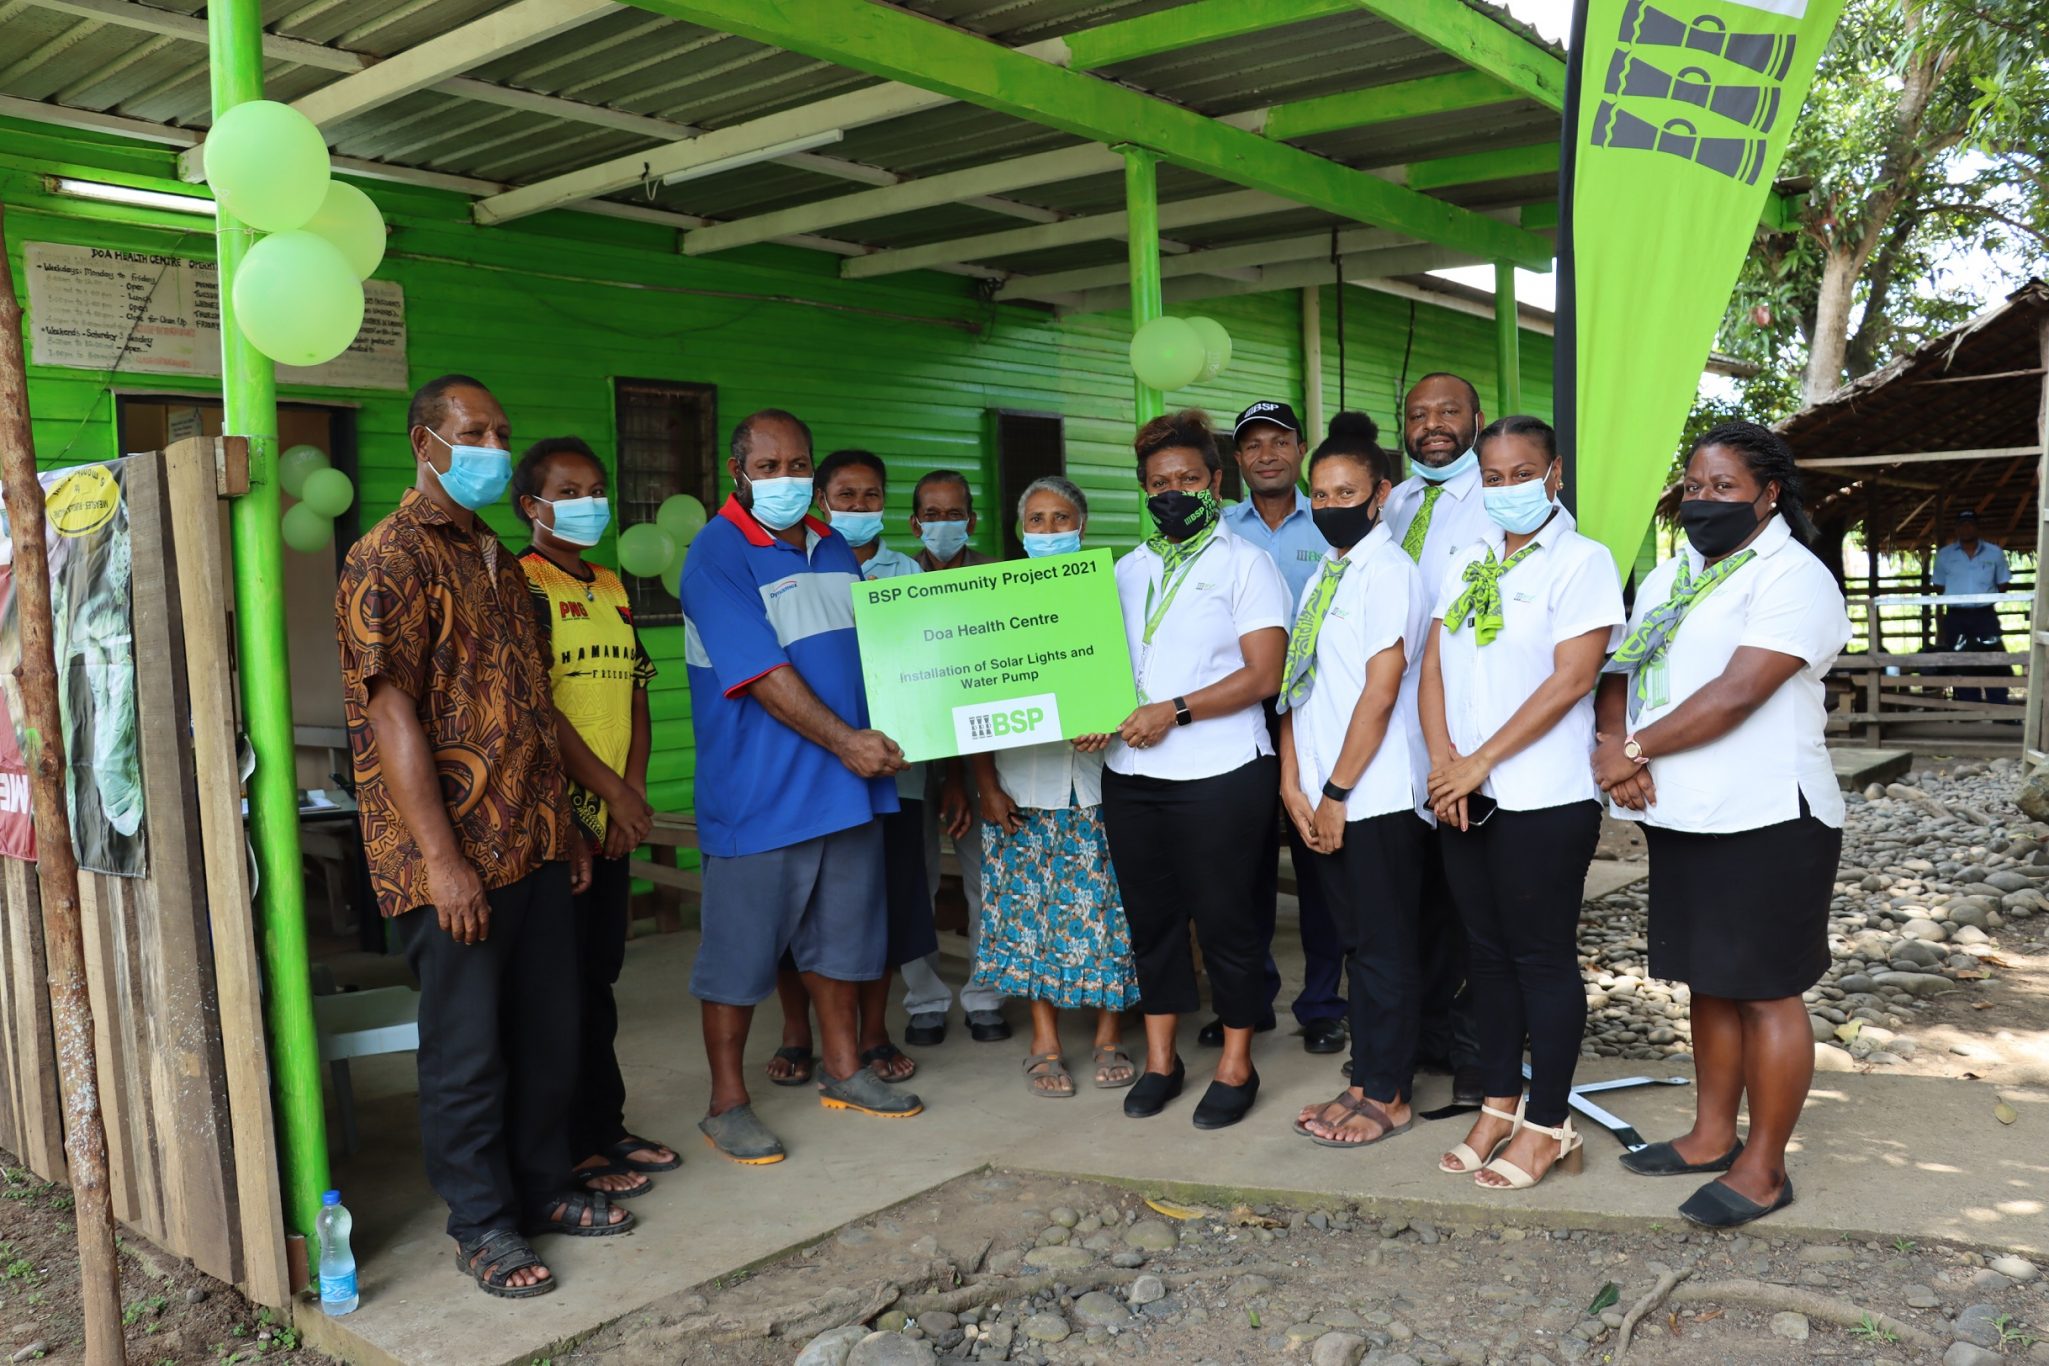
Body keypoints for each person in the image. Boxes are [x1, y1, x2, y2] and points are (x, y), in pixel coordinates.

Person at [335, 375, 612, 1302]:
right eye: (475, 433)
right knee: (467, 1051)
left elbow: (530, 704)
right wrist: (443, 860)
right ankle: (482, 1222)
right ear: (426, 444)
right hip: (450, 860)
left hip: (532, 842)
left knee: (547, 1033)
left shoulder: (494, 555)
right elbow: (391, 716)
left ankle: (542, 1186)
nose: (494, 447)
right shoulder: (388, 557)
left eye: (500, 432)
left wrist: (567, 826)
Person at [1593, 420, 1850, 1229]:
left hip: (1768, 813)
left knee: (1765, 990)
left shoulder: (1793, 577)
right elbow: (1621, 665)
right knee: (1706, 979)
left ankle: (1764, 1167)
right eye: (1695, 486)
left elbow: (1737, 692)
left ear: (1768, 494)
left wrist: (1632, 748)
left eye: (1723, 487)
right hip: (1683, 810)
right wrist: (1613, 742)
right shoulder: (1672, 574)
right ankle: (1710, 1135)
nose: (1703, 500)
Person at [680, 409, 923, 1167]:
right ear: (737, 473)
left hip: (845, 789)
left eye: (797, 465)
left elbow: (875, 655)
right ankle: (726, 1103)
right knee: (738, 956)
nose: (785, 479)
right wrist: (848, 741)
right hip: (762, 792)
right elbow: (761, 674)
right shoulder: (716, 555)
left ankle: (844, 1069)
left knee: (842, 943)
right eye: (768, 467)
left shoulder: (833, 546)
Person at [1418, 416, 1624, 1189]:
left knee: (1540, 959)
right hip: (1462, 791)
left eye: (1521, 473)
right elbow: (1432, 667)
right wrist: (1443, 764)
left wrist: (1479, 761)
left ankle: (1548, 1122)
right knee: (1486, 957)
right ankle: (1497, 1103)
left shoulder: (1581, 562)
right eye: (1493, 477)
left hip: (1542, 795)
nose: (1506, 488)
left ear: (1553, 474)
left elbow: (1572, 679)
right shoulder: (1467, 558)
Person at [1098, 409, 1288, 1130]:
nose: (1172, 492)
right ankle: (1162, 1062)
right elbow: (1106, 669)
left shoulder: (1247, 564)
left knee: (1226, 922)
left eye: (1186, 479)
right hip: (1131, 774)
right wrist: (1096, 713)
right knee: (1151, 922)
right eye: (1158, 483)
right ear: (1143, 490)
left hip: (1220, 772)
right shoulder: (1127, 570)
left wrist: (1172, 712)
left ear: (1215, 482)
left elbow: (1263, 675)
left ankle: (1237, 1064)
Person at [511, 437, 681, 1201]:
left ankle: (603, 1125)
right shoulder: (523, 583)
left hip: (614, 816)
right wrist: (605, 796)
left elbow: (636, 691)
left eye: (595, 489)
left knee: (597, 981)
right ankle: (567, 1147)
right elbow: (537, 711)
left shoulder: (610, 584)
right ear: (531, 506)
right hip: (559, 821)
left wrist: (631, 792)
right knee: (555, 993)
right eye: (568, 492)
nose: (588, 503)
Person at [1277, 415, 1433, 1148]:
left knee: (1383, 949)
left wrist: (1336, 793)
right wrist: (1293, 784)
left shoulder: (1389, 572)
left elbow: (1381, 689)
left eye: (1346, 492)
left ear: (1380, 496)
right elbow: (1300, 685)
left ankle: (1388, 1093)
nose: (1329, 504)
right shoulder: (1324, 574)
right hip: (1322, 793)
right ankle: (1365, 1076)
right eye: (1319, 492)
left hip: (1373, 796)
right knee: (1354, 947)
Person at [760, 449, 936, 1088]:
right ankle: (796, 1033)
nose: (859, 506)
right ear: (821, 500)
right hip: (807, 767)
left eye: (871, 496)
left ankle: (873, 1034)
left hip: (891, 771)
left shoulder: (907, 572)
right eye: (845, 496)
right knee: (795, 909)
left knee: (880, 905)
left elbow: (932, 663)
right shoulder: (790, 564)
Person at [968, 477, 1142, 1097]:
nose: (1048, 529)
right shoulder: (994, 602)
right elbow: (971, 696)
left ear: (1081, 526)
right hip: (1021, 783)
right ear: (1021, 531)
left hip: (1100, 782)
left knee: (1109, 910)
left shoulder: (1112, 592)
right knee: (1028, 913)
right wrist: (985, 785)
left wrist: (1111, 718)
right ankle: (1044, 1042)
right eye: (1036, 519)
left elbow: (1138, 675)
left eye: (1061, 518)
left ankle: (1108, 1036)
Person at [1220, 400, 1348, 1057]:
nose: (1266, 454)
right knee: (1241, 870)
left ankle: (1322, 1005)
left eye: (1278, 442)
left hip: (1317, 716)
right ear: (1236, 459)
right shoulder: (1217, 530)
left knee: (1319, 860)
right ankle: (1247, 1004)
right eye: (1252, 445)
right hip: (1235, 716)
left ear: (1300, 449)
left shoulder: (1331, 521)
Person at [1380, 372, 1492, 1103]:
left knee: (1472, 902)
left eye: (1448, 411)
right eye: (1418, 414)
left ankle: (1476, 1051)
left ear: (1476, 419)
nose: (1432, 425)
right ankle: (1418, 1036)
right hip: (1394, 728)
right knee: (1411, 898)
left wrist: (1461, 747)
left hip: (1463, 729)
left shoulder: (1499, 498)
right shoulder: (1394, 503)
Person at [900, 470, 1008, 1046]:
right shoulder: (892, 582)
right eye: (932, 515)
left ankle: (986, 995)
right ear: (915, 523)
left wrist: (965, 778)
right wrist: (942, 775)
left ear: (973, 519)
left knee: (986, 877)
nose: (944, 524)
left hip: (985, 754)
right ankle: (924, 999)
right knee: (912, 879)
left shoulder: (998, 579)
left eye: (954, 513)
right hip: (910, 755)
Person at [1931, 509, 2012, 704]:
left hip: (1985, 615)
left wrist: (1984, 599)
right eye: (1962, 525)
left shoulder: (1995, 553)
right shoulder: (1944, 555)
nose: (1966, 528)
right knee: (1960, 661)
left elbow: (2003, 583)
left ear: (1977, 527)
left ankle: (2000, 709)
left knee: (1993, 659)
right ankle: (1969, 708)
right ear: (1956, 529)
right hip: (1956, 616)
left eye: (1970, 524)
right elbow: (1939, 586)